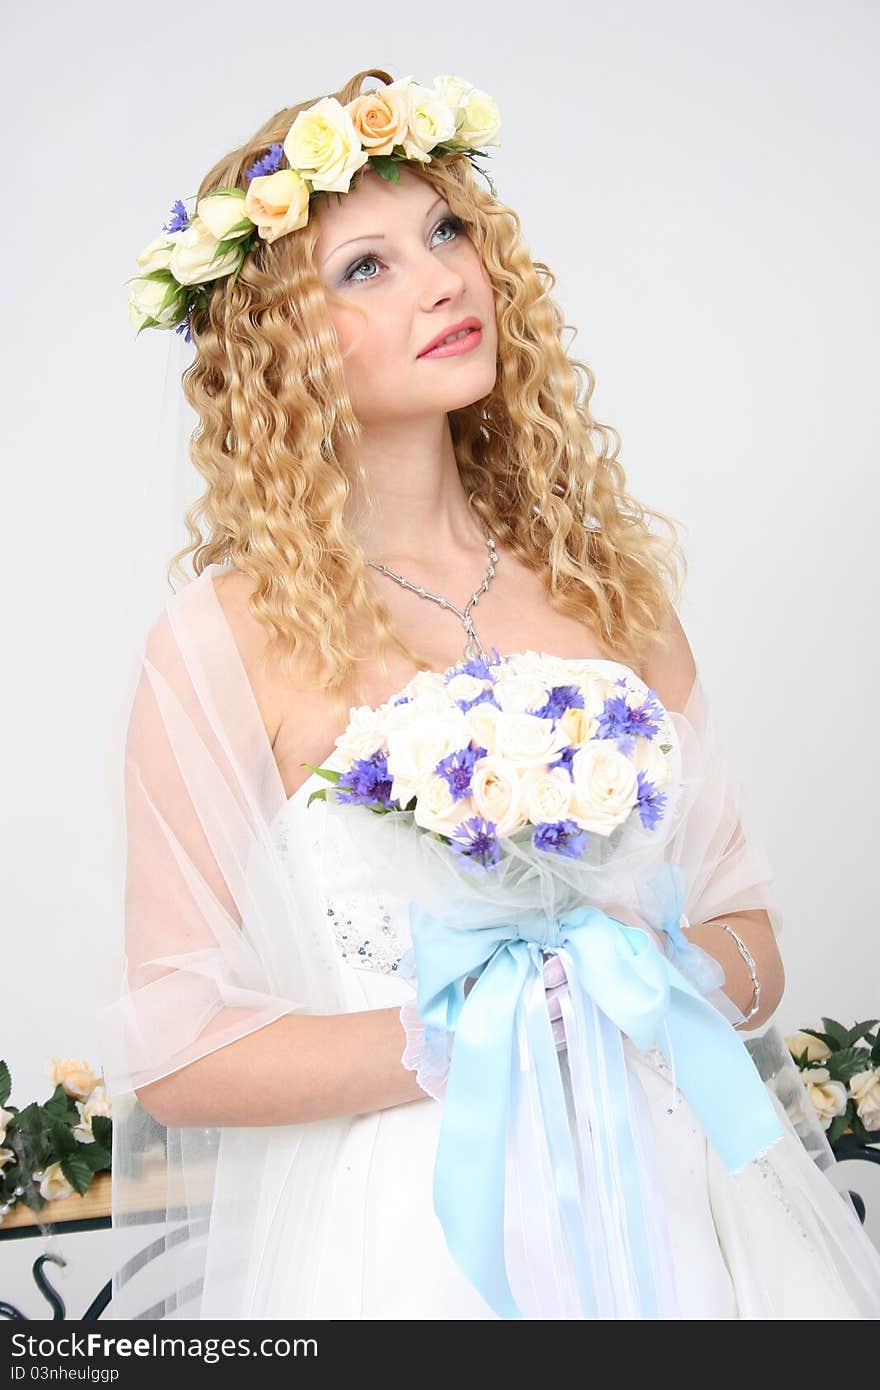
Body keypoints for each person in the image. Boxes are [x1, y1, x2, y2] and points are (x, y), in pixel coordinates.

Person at [99, 67, 880, 1319]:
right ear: (281, 347)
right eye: (366, 266)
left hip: (680, 1194)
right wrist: (461, 1033)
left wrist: (654, 966)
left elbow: (752, 936)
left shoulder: (611, 590)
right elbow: (179, 1047)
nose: (445, 279)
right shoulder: (219, 638)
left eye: (447, 231)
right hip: (417, 1231)